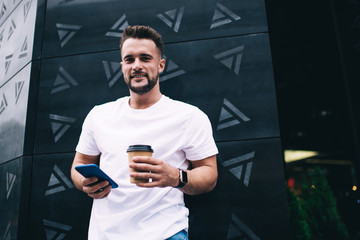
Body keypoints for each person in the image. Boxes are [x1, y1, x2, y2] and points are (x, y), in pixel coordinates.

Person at [71, 25, 218, 240]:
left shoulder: (189, 116)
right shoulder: (99, 115)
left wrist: (176, 177)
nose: (136, 66)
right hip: (104, 235)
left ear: (161, 65)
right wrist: (86, 184)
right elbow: (78, 165)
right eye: (129, 60)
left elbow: (210, 175)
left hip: (164, 233)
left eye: (145, 58)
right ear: (122, 66)